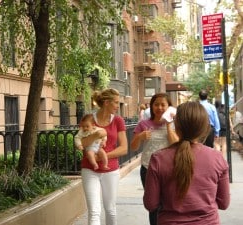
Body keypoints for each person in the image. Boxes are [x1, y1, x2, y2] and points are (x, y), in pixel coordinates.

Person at [143, 101, 230, 225]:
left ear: (176, 127)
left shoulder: (158, 158)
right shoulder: (217, 158)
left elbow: (150, 204)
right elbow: (224, 203)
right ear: (205, 128)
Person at [79, 88, 128, 225]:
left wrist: (104, 156)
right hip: (90, 170)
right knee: (94, 211)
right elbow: (81, 144)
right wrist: (95, 135)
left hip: (111, 170)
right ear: (107, 102)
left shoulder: (118, 121)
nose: (118, 106)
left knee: (110, 209)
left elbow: (124, 148)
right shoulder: (88, 120)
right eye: (116, 103)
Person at [130, 93, 179, 225]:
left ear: (169, 107)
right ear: (151, 106)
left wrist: (169, 125)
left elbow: (176, 145)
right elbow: (133, 147)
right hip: (148, 169)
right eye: (156, 104)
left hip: (170, 170)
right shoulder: (144, 124)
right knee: (153, 205)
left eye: (163, 104)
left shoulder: (175, 124)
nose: (159, 107)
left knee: (169, 203)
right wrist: (140, 137)